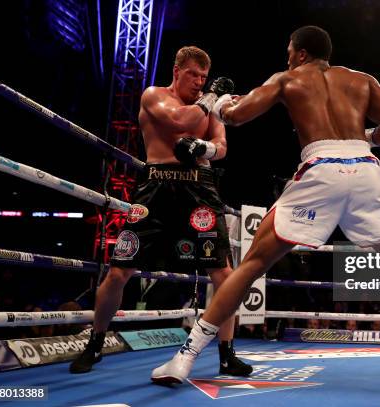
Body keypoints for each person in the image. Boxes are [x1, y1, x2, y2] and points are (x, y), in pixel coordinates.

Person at [151, 27, 380, 394]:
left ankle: (185, 357)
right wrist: (365, 139)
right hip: (366, 172)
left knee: (250, 265)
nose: (287, 58)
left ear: (302, 54)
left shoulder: (287, 78)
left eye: (289, 51)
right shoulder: (362, 80)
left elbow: (237, 115)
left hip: (321, 169)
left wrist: (218, 100)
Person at [70, 46, 252, 378]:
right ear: (177, 71)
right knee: (118, 271)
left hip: (200, 189)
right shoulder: (154, 96)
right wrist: (212, 97)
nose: (199, 82)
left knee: (224, 275)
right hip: (155, 187)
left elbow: (222, 144)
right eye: (193, 75)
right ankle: (94, 343)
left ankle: (227, 353)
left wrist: (206, 147)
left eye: (204, 77)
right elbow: (179, 120)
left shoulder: (210, 106)